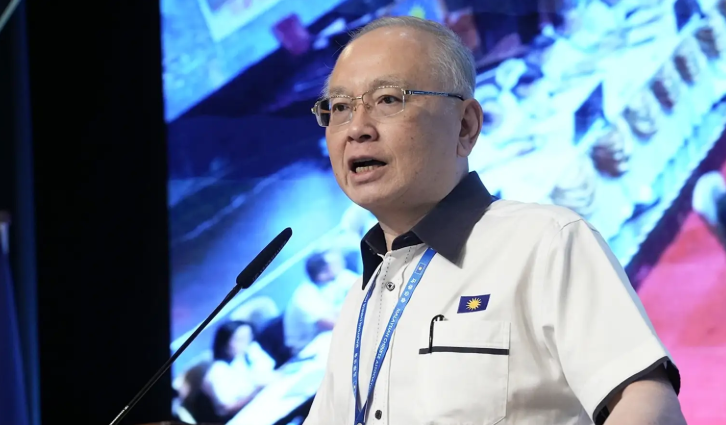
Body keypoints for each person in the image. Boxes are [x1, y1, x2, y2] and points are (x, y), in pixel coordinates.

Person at [304, 15, 686, 425]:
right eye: (340, 107)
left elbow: (647, 404)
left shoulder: (543, 243)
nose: (356, 128)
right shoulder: (360, 301)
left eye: (387, 100)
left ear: (465, 126)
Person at [284, 249, 358, 356]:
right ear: (322, 273)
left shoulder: (340, 277)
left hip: (333, 336)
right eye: (333, 263)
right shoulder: (304, 296)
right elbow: (332, 324)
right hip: (308, 349)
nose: (341, 263)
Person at [200, 320, 276, 420]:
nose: (246, 342)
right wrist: (255, 392)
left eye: (249, 337)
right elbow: (227, 408)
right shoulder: (218, 371)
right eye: (240, 339)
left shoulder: (252, 350)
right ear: (225, 344)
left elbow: (271, 372)